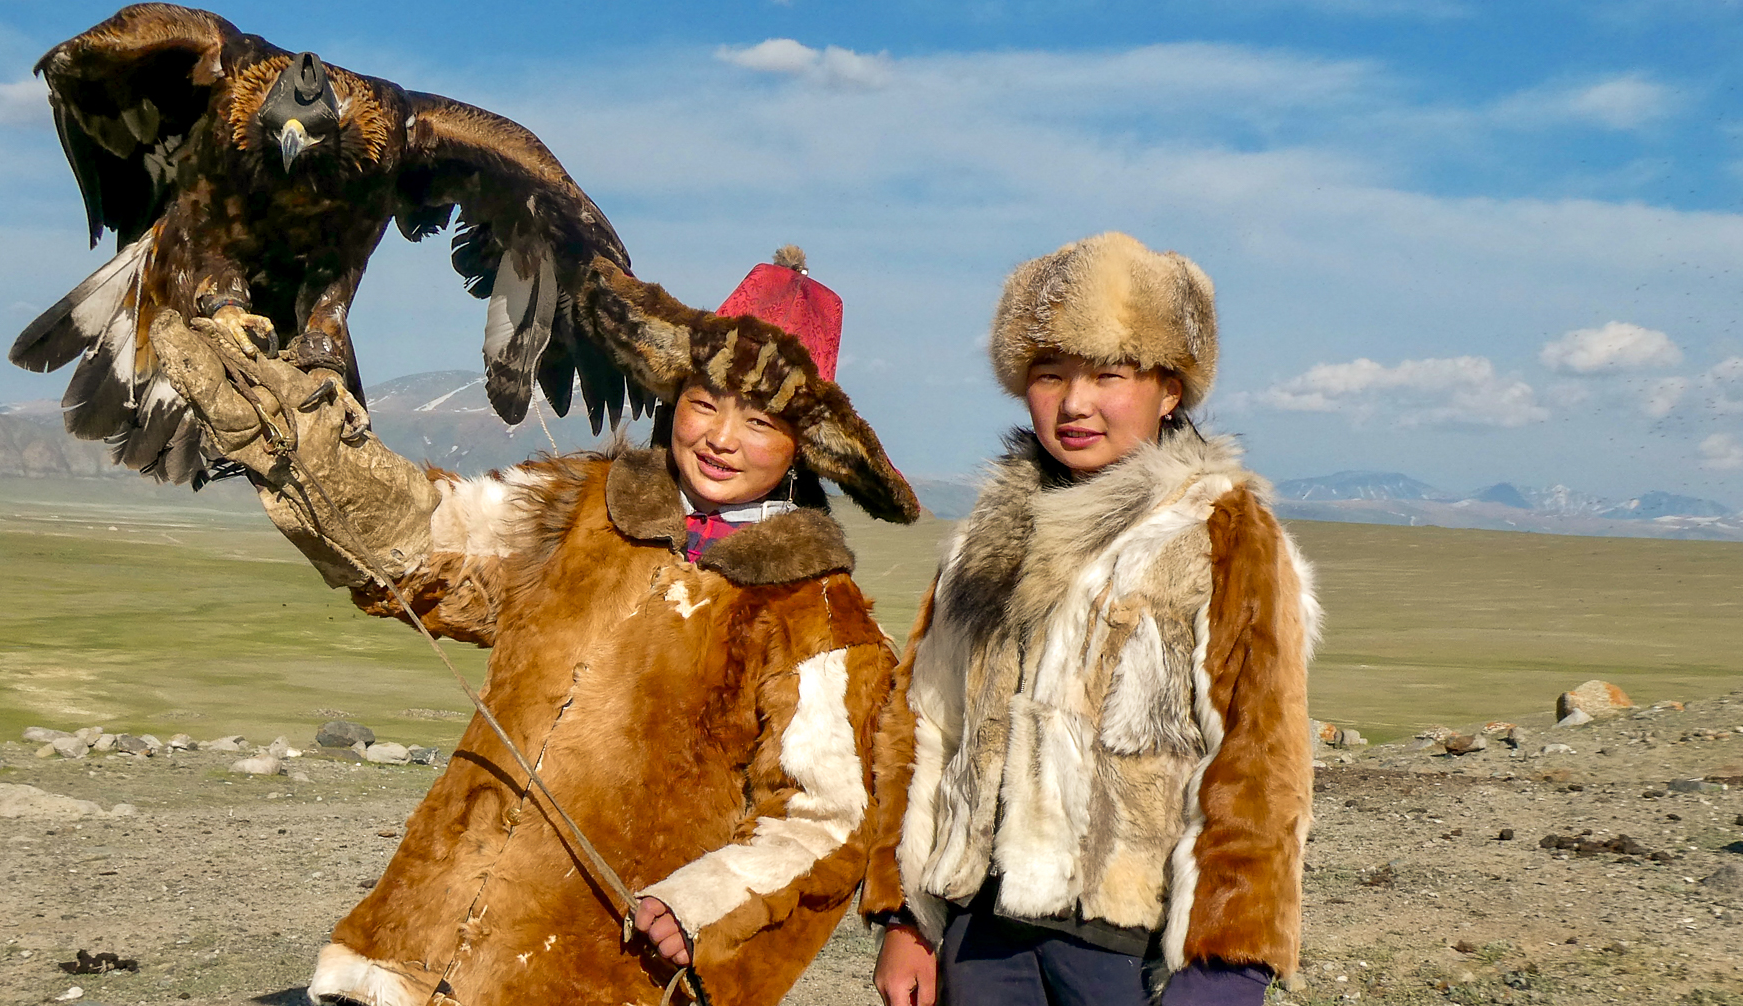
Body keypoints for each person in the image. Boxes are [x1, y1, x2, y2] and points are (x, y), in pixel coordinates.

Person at [149, 247, 920, 1006]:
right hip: (418, 939)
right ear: (674, 395)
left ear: (801, 447)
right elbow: (423, 541)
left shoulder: (817, 613)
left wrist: (699, 905)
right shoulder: (579, 505)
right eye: (705, 401)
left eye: (759, 419)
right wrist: (300, 448)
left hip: (599, 967)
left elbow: (827, 820)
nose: (720, 437)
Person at [863, 232, 1320, 1006]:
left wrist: (1225, 965)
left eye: (1109, 373)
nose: (1075, 403)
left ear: (1169, 389)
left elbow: (1259, 760)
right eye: (1050, 375)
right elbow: (929, 725)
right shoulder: (984, 536)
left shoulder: (1224, 534)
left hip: (1129, 950)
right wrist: (909, 918)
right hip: (982, 937)